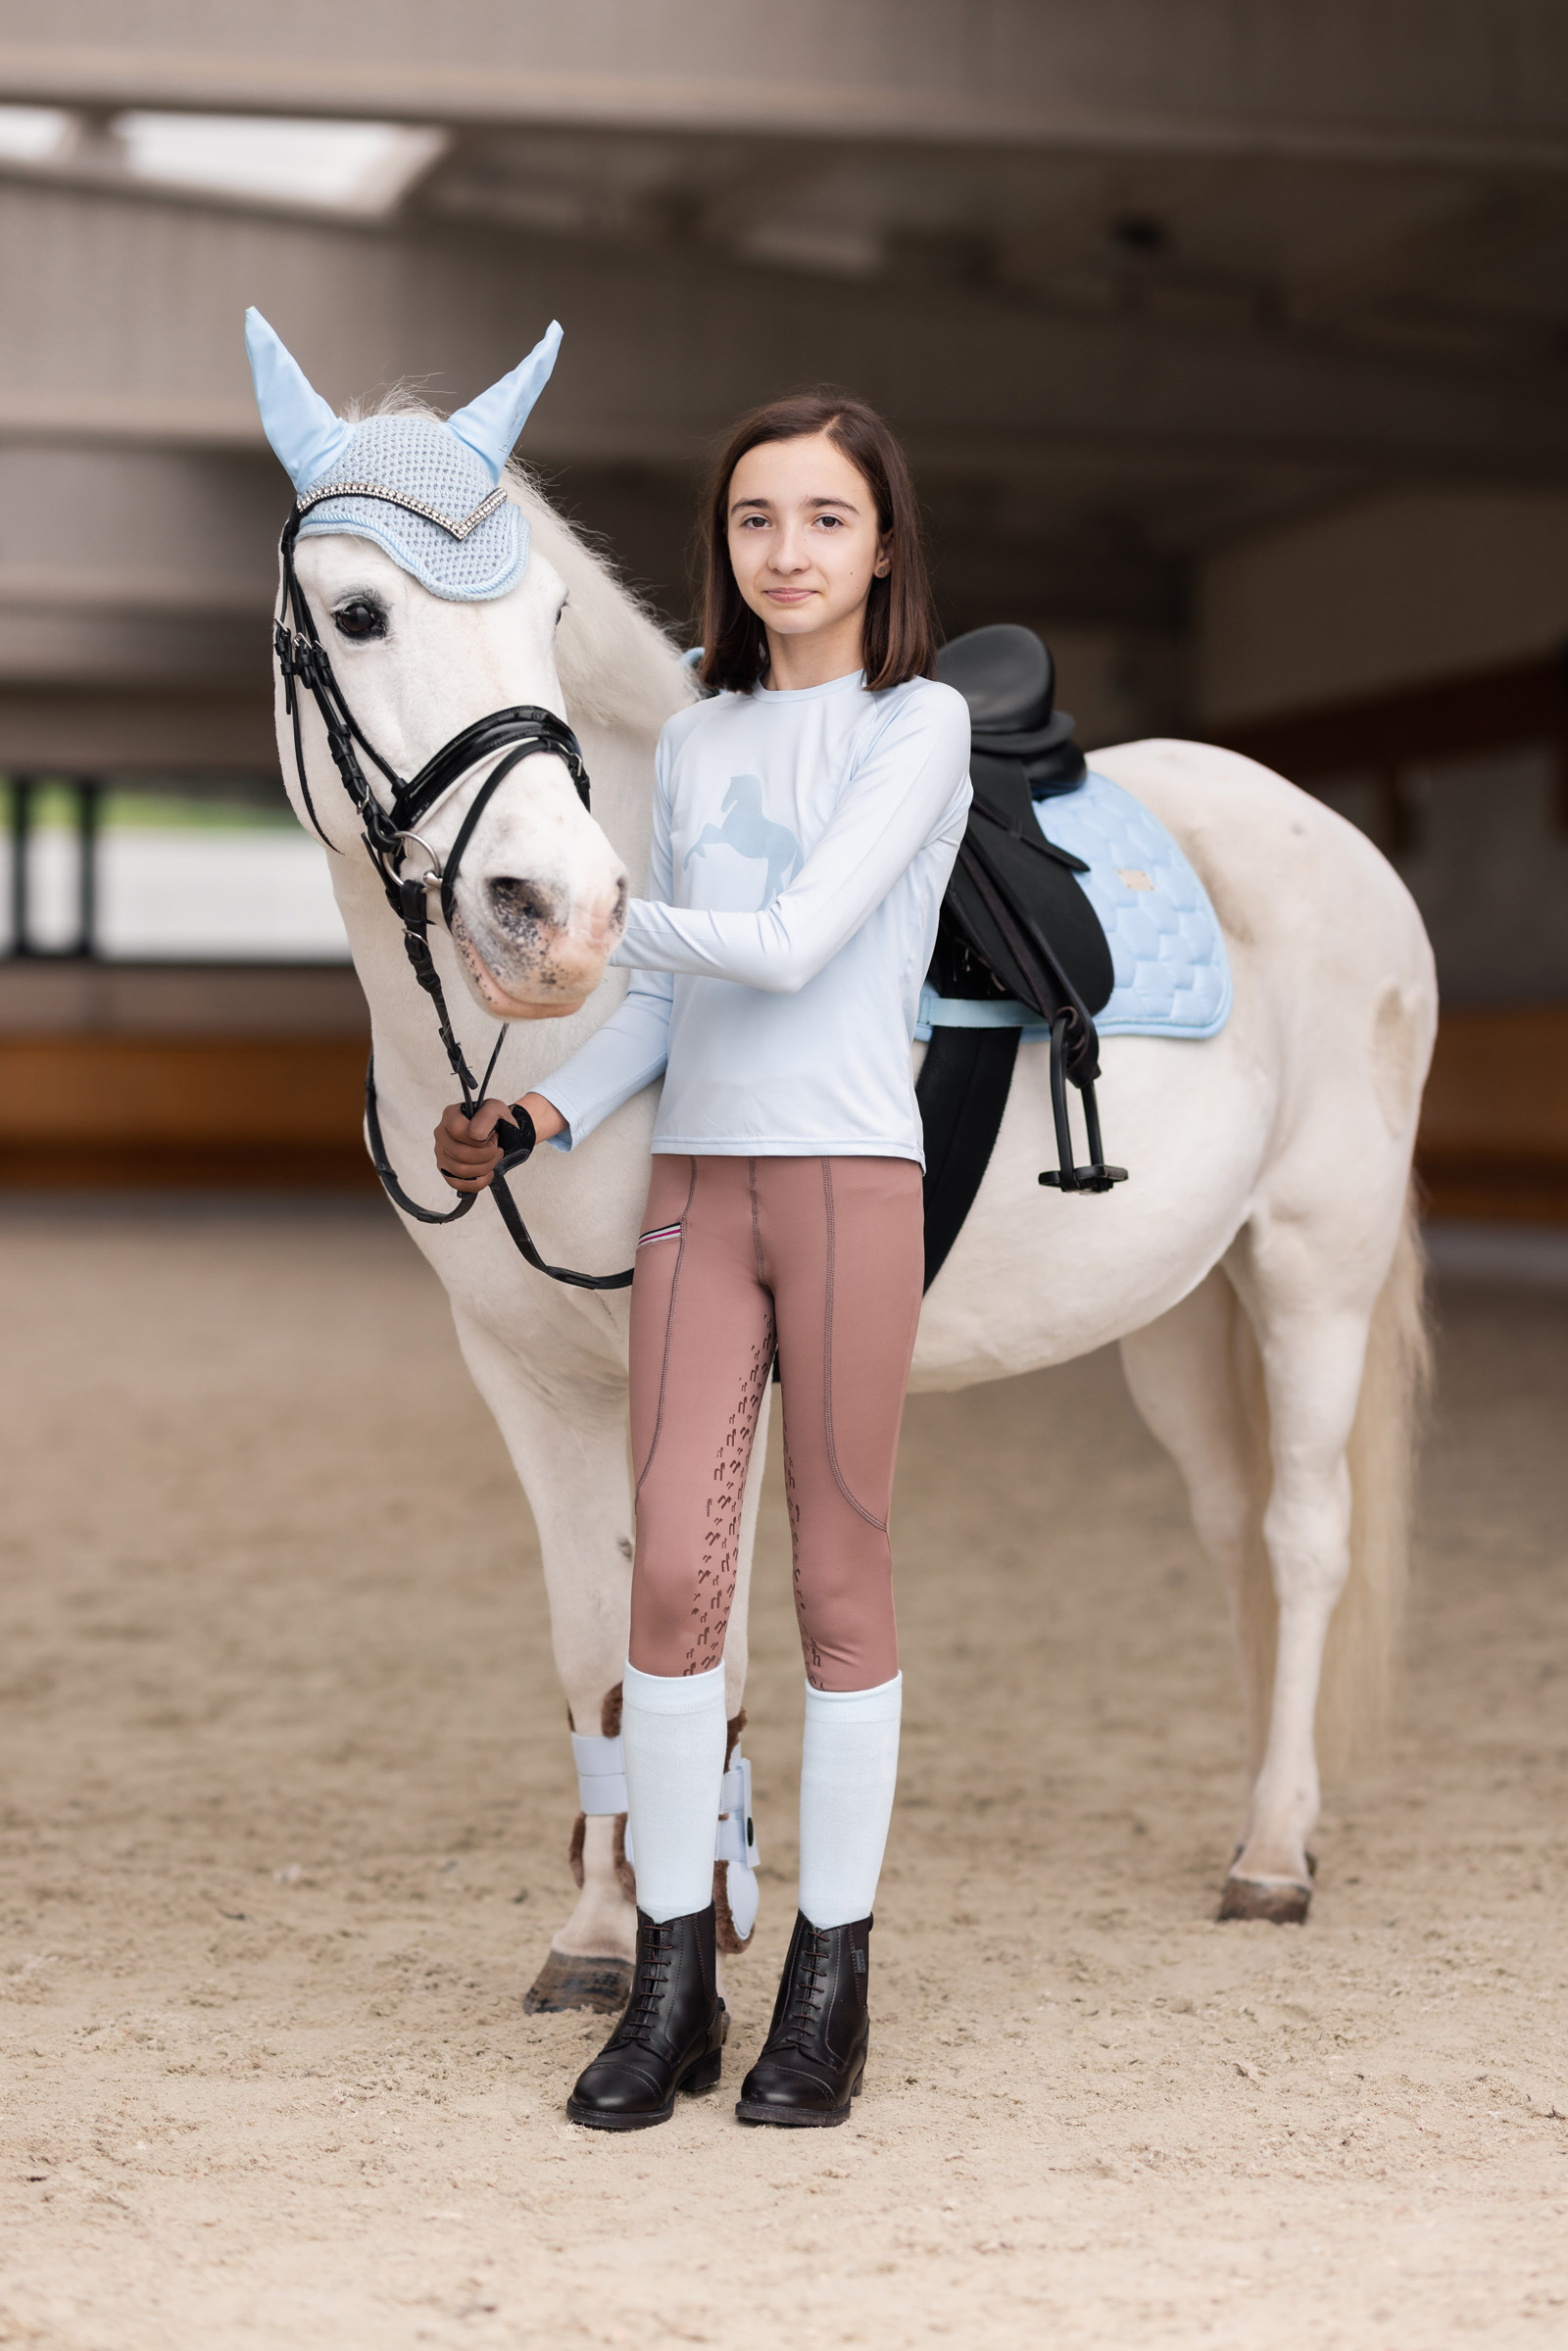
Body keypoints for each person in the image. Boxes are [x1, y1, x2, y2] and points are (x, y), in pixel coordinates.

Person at [434, 393, 971, 2131]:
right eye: (756, 521)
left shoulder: (921, 727)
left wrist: (589, 902)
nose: (788, 551)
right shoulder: (704, 741)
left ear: (880, 545)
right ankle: (675, 1974)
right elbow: (660, 1002)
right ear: (725, 549)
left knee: (837, 1591)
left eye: (824, 519)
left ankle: (833, 1977)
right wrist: (541, 1121)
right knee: (672, 1584)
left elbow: (802, 940)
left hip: (844, 1185)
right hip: (699, 1195)